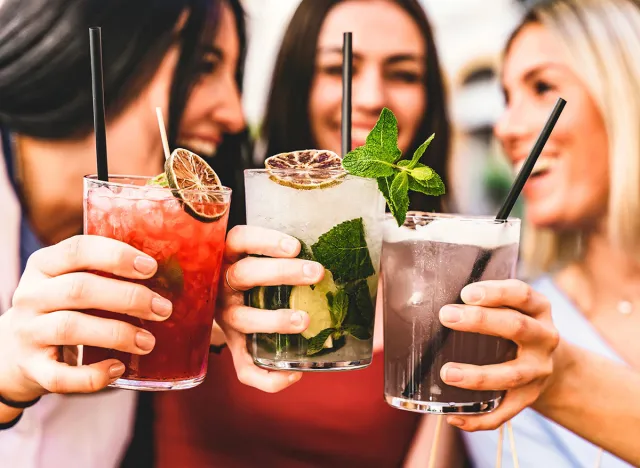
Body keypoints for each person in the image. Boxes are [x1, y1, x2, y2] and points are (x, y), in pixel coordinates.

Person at [146, 1, 558, 467]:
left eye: (403, 74)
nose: (369, 97)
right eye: (338, 69)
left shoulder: (449, 264)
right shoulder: (208, 226)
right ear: (296, 81)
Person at [0, 0, 327, 466]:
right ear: (110, 48)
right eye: (205, 66)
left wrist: (204, 299)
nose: (234, 114)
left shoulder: (140, 234)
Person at [457, 0, 640, 466]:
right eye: (506, 98)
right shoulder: (512, 325)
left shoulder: (528, 344)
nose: (506, 127)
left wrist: (558, 378)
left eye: (542, 87)